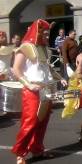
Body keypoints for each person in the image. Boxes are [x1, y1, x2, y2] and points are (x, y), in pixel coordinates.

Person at [11, 19, 67, 164]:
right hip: (32, 90)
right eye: (45, 34)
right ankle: (20, 153)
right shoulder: (25, 47)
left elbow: (48, 69)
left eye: (48, 34)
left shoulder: (45, 49)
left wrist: (60, 78)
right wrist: (28, 85)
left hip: (46, 89)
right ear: (37, 32)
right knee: (30, 123)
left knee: (42, 122)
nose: (47, 37)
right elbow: (16, 69)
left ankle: (37, 150)